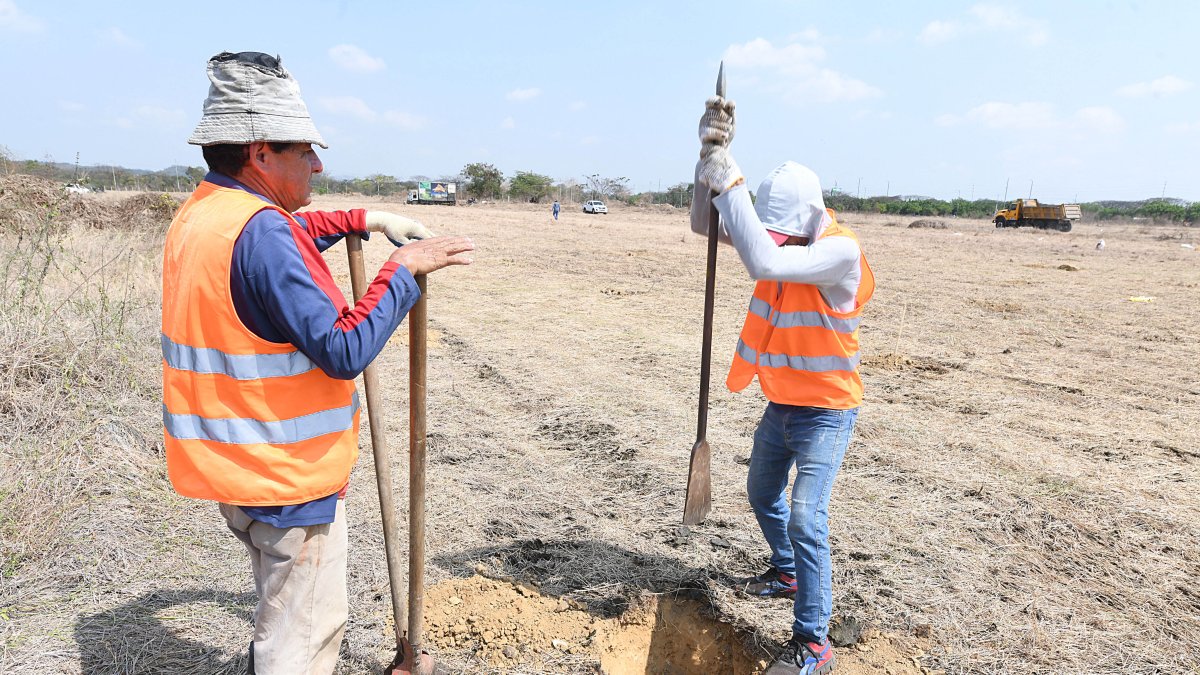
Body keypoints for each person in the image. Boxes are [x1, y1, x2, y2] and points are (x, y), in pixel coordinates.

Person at [161, 51, 474, 674]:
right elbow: (342, 348)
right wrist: (401, 271)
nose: (318, 162)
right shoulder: (263, 233)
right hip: (284, 477)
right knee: (301, 646)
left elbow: (282, 236)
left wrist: (364, 219)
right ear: (260, 154)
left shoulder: (207, 213)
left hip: (235, 466)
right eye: (305, 149)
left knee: (280, 622)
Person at [692, 96, 874, 675]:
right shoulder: (782, 238)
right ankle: (787, 569)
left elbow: (765, 262)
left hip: (826, 411)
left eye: (783, 235)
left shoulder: (839, 251)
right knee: (761, 492)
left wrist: (733, 179)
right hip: (782, 404)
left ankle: (813, 640)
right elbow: (705, 224)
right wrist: (707, 163)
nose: (775, 240)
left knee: (805, 516)